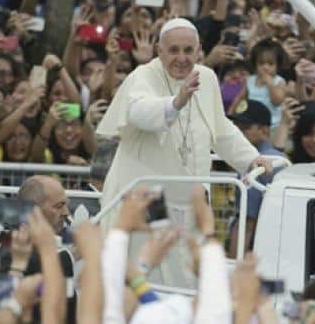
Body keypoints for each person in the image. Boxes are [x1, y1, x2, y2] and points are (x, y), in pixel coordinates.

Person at [96, 17, 272, 287]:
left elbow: (220, 127)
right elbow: (138, 112)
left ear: (199, 50)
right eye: (173, 50)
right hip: (144, 204)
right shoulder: (143, 75)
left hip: (187, 203)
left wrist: (250, 158)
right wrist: (175, 103)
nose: (181, 58)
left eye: (188, 51)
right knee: (141, 279)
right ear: (159, 50)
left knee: (185, 280)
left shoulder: (207, 77)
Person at [226, 100, 287, 254]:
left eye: (245, 128)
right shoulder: (277, 157)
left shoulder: (258, 163)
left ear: (264, 131)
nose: (238, 133)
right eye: (236, 127)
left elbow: (246, 224)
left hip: (258, 251)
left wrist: (233, 266)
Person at [16, 175, 76, 323]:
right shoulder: (12, 250)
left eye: (66, 204)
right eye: (59, 206)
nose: (66, 212)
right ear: (34, 210)